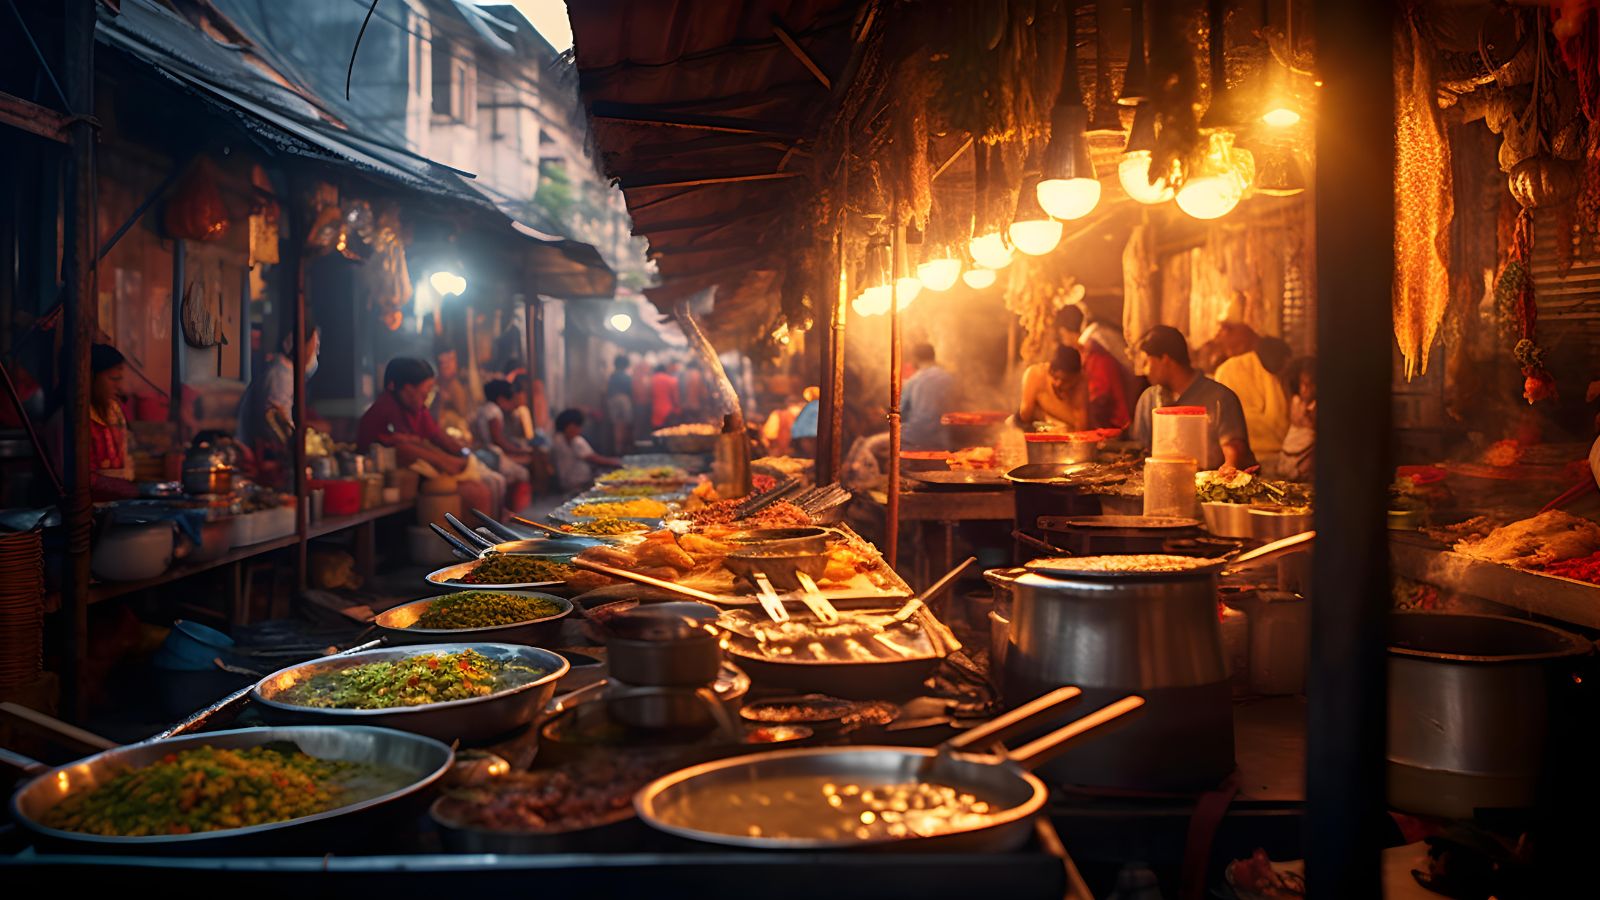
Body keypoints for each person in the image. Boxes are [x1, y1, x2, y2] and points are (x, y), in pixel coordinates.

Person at [358, 357, 496, 514]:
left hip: (420, 475)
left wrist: (464, 453)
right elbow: (401, 450)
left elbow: (437, 435)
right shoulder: (383, 409)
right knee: (477, 493)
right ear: (409, 389)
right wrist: (446, 462)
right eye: (426, 390)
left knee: (487, 485)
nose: (428, 395)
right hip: (390, 482)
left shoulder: (417, 408)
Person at [1128, 325, 1256, 472]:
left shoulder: (1220, 398)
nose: (1144, 370)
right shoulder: (1148, 399)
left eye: (1147, 362)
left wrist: (1227, 471)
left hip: (1209, 487)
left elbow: (1234, 451)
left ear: (1165, 359)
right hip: (1162, 485)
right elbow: (1139, 450)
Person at [58, 343, 139, 501]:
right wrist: (130, 489)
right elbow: (82, 479)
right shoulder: (72, 420)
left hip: (116, 502)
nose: (119, 386)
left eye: (120, 379)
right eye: (113, 379)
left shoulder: (113, 412)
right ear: (90, 377)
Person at [236, 322, 320, 451]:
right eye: (315, 346)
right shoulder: (282, 376)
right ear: (302, 346)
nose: (316, 353)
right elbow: (278, 427)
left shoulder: (286, 372)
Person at [1212, 321, 1289, 458]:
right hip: (1282, 453)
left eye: (1227, 330)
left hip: (1246, 458)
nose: (1220, 337)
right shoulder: (1274, 370)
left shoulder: (1228, 370)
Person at [1054, 305, 1131, 429]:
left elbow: (1100, 400)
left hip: (1115, 429)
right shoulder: (1091, 348)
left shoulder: (1094, 353)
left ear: (1064, 332)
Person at [472, 379, 534, 511]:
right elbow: (498, 440)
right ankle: (509, 511)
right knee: (522, 473)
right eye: (511, 399)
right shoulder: (494, 411)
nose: (514, 402)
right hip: (491, 454)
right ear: (501, 399)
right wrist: (521, 451)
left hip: (482, 452)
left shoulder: (483, 409)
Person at [550, 408, 621, 494]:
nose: (580, 430)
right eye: (578, 427)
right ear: (570, 426)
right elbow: (594, 458)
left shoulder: (556, 440)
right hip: (580, 483)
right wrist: (616, 462)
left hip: (566, 484)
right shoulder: (576, 441)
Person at [1018, 346, 1088, 431]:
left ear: (1076, 377)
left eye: (1065, 380)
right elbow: (1025, 415)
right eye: (1055, 377)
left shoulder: (1080, 382)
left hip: (1065, 435)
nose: (1058, 384)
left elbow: (1081, 427)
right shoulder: (1036, 374)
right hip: (1032, 428)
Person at [901, 343, 957, 450]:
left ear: (915, 358)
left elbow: (901, 412)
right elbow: (955, 407)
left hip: (913, 439)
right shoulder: (949, 379)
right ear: (934, 356)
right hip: (940, 441)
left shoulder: (912, 382)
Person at [1277, 356, 1315, 481]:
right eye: (1303, 384)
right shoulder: (1295, 400)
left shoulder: (1315, 406)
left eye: (1310, 385)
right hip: (1290, 449)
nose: (1305, 389)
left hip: (1306, 454)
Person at [431, 347, 472, 437]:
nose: (446, 366)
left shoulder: (457, 386)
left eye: (451, 361)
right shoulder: (433, 385)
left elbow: (463, 414)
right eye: (443, 363)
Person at [605, 354, 634, 454]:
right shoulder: (626, 377)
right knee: (625, 424)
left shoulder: (612, 376)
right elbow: (631, 390)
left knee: (617, 425)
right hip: (623, 400)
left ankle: (618, 448)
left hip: (612, 400)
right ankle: (624, 449)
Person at [650, 361, 681, 429]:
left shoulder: (651, 380)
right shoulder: (672, 380)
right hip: (668, 413)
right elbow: (676, 399)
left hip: (654, 414)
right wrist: (678, 411)